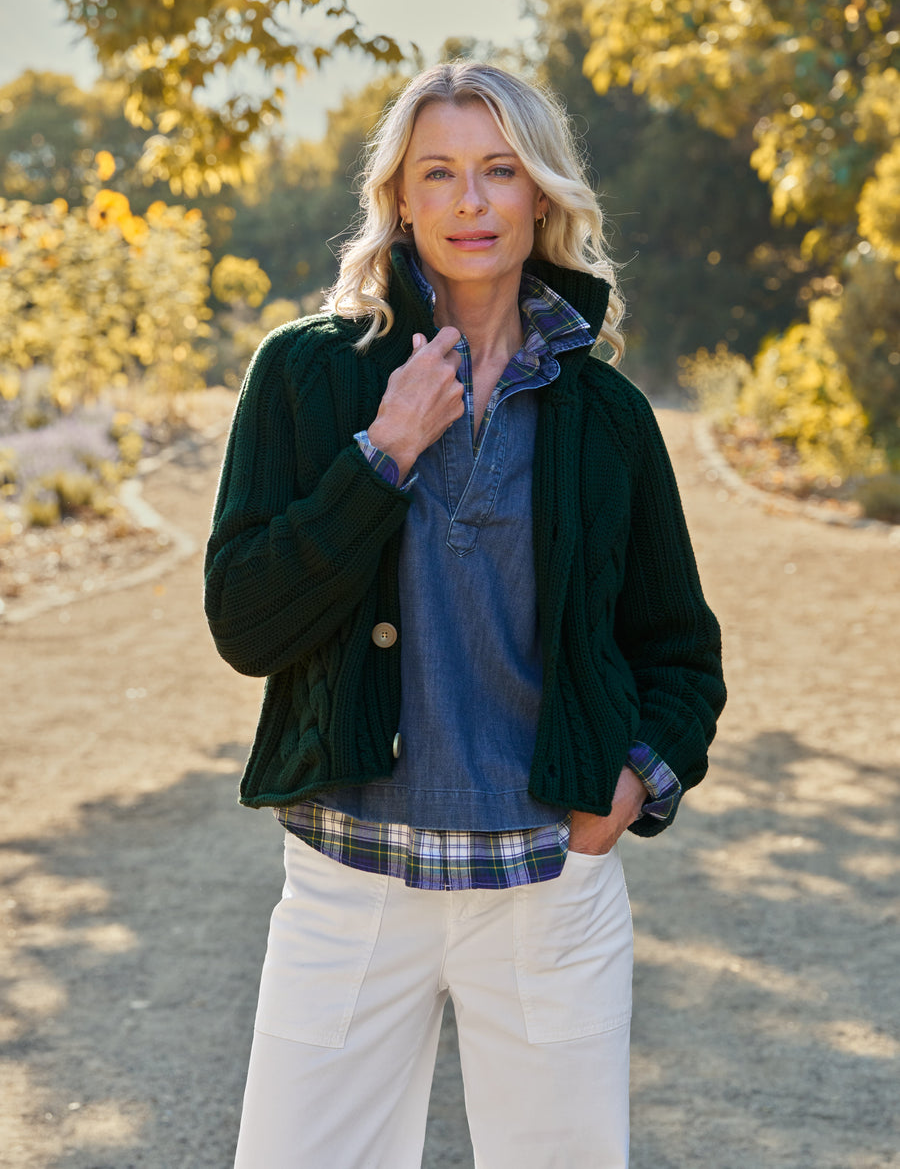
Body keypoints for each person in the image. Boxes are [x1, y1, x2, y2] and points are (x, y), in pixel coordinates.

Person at [205, 60, 726, 1169]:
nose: (471, 200)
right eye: (438, 172)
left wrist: (631, 784)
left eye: (499, 169)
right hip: (351, 880)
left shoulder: (608, 416)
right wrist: (380, 455)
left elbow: (680, 652)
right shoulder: (303, 375)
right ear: (400, 198)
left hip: (548, 888)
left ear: (541, 193)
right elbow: (245, 621)